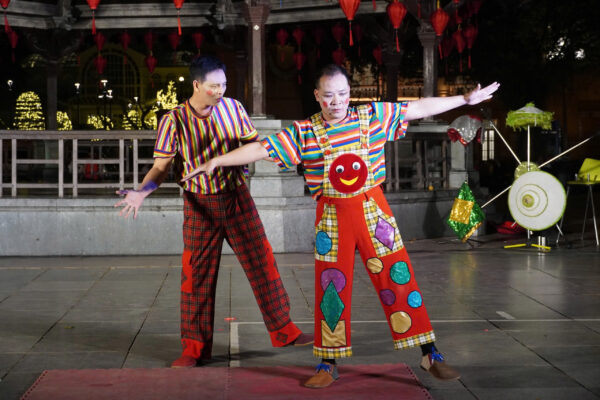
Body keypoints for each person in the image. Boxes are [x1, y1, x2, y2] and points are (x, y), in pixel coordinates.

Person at [181, 64, 500, 386]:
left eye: (343, 94)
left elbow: (416, 108)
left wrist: (464, 99)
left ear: (350, 93)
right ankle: (327, 362)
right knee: (331, 288)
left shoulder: (371, 117)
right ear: (317, 95)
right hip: (332, 217)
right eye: (329, 95)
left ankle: (429, 353)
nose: (337, 102)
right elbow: (261, 148)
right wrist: (216, 160)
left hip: (374, 212)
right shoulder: (304, 131)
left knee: (398, 277)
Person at [114, 55, 313, 369]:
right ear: (196, 85)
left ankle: (284, 330)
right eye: (213, 86)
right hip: (199, 205)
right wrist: (142, 192)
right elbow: (161, 167)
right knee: (197, 276)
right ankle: (194, 349)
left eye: (223, 84)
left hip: (236, 198)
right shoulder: (174, 120)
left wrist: (285, 156)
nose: (220, 91)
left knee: (262, 262)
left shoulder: (234, 108)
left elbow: (255, 146)